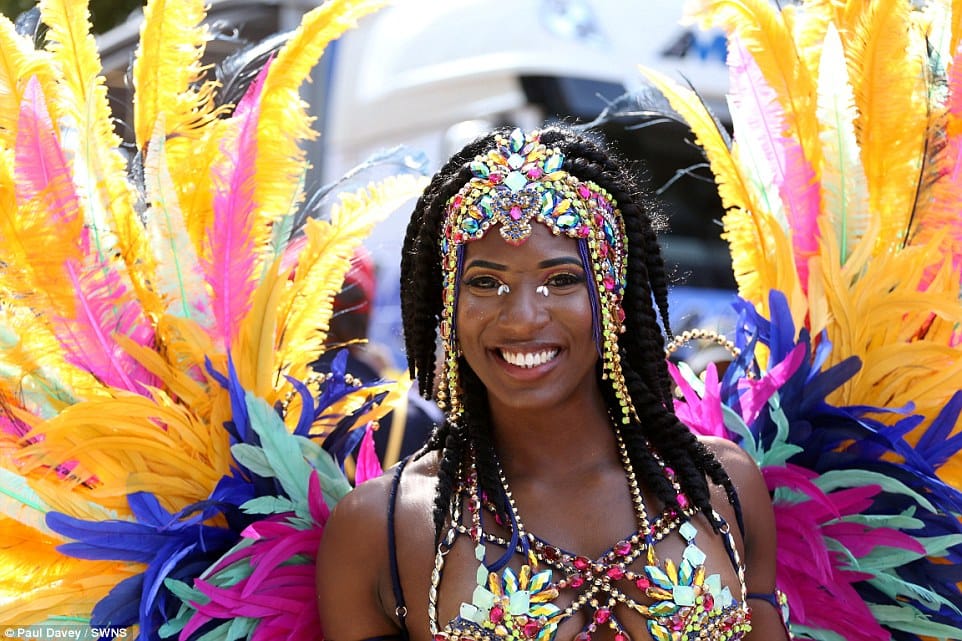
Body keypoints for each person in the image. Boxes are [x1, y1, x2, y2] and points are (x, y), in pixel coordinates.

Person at [316, 125, 790, 640]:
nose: (521, 318)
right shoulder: (378, 529)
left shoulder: (724, 487)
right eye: (485, 283)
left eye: (561, 280)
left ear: (613, 298)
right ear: (448, 308)